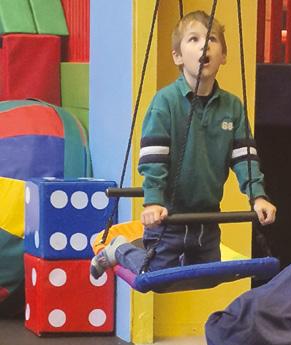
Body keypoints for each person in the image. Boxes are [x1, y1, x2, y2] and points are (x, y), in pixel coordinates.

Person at [91, 10, 276, 279]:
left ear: (223, 55)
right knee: (155, 275)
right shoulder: (165, 102)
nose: (204, 45)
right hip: (168, 217)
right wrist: (153, 202)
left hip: (207, 218)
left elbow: (245, 157)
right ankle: (118, 249)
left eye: (212, 39)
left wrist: (257, 196)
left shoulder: (232, 107)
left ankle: (137, 250)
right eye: (194, 39)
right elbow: (153, 159)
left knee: (208, 276)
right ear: (177, 56)